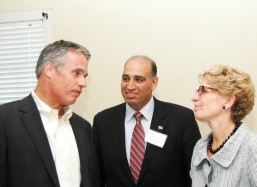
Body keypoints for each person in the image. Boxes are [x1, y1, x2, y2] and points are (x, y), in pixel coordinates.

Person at [0, 40, 99, 187]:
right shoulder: (5, 119)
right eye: (76, 73)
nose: (83, 83)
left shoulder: (84, 128)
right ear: (49, 69)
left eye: (84, 76)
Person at [93, 55, 201, 187]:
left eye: (138, 79)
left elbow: (196, 177)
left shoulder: (181, 119)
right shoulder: (103, 121)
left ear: (154, 83)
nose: (130, 86)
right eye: (125, 79)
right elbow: (96, 177)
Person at [190, 64, 257, 187]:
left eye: (204, 91)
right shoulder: (200, 147)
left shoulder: (255, 147)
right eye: (197, 91)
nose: (194, 98)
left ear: (228, 101)